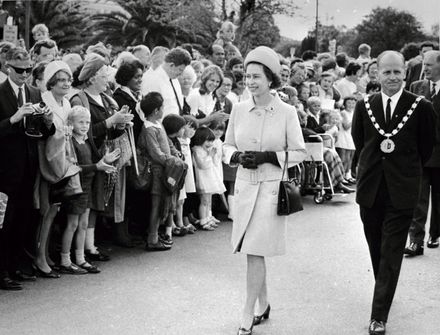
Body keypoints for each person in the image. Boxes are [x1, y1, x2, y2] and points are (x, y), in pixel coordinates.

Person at [223, 46, 307, 334]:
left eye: (256, 76)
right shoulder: (237, 109)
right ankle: (264, 303)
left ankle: (247, 312)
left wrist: (269, 156)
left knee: (254, 251)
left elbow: (298, 151)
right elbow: (227, 145)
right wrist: (236, 157)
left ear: (271, 79)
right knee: (252, 250)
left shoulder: (287, 112)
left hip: (271, 192)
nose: (250, 82)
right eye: (247, 76)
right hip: (246, 189)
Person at [351, 50, 435, 335]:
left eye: (397, 71)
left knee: (391, 251)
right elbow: (361, 142)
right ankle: (384, 292)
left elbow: (426, 147)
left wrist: (406, 173)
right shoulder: (364, 106)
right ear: (376, 73)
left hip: (402, 191)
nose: (392, 77)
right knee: (377, 248)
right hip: (371, 191)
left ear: (406, 73)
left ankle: (378, 316)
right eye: (386, 72)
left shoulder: (420, 107)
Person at [0, 47, 55, 290]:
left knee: (23, 219)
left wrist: (48, 120)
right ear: (7, 67)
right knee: (5, 221)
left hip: (29, 166)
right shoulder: (0, 93)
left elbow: (45, 132)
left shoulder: (34, 92)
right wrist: (14, 118)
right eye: (19, 70)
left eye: (28, 70)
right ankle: (2, 272)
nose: (24, 74)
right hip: (4, 169)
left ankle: (15, 266)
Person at [70, 53, 135, 253]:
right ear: (92, 77)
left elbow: (111, 131)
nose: (108, 78)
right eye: (104, 75)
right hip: (86, 156)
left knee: (96, 202)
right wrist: (110, 122)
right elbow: (83, 131)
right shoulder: (79, 99)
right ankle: (82, 249)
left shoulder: (106, 98)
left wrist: (120, 123)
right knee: (85, 204)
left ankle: (90, 246)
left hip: (102, 155)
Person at [404, 50, 440, 256]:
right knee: (418, 198)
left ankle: (435, 233)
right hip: (419, 154)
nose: (424, 68)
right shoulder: (416, 87)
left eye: (429, 65)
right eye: (424, 64)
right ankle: (415, 241)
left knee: (439, 198)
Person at [137, 92, 180, 251]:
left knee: (163, 204)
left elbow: (168, 143)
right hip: (157, 172)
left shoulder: (157, 124)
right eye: (162, 107)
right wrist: (172, 161)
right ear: (156, 110)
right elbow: (156, 153)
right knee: (157, 205)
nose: (163, 110)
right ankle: (152, 239)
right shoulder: (149, 129)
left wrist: (175, 154)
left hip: (165, 170)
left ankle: (155, 235)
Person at [141, 47, 192, 117]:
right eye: (180, 69)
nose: (181, 73)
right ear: (171, 65)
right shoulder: (153, 80)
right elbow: (149, 112)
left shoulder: (175, 80)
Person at [192, 126, 225, 230]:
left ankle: (208, 218)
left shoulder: (206, 150)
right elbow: (202, 165)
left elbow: (214, 164)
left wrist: (213, 155)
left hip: (209, 179)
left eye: (211, 141)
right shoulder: (197, 150)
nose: (210, 144)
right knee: (204, 201)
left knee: (208, 201)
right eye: (208, 141)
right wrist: (209, 156)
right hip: (203, 180)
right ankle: (203, 221)